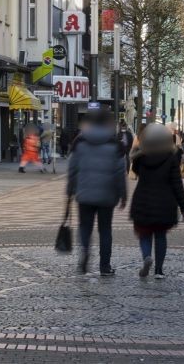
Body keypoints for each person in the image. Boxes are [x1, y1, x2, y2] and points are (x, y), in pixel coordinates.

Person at [66, 111, 127, 276]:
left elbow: (72, 169)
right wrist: (123, 195)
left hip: (84, 193)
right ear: (107, 124)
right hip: (107, 195)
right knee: (105, 230)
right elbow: (120, 172)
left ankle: (84, 253)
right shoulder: (115, 144)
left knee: (85, 227)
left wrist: (70, 190)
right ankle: (105, 266)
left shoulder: (80, 142)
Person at [130, 123, 184, 279]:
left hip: (143, 200)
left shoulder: (141, 158)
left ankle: (146, 257)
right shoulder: (171, 159)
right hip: (165, 202)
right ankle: (158, 270)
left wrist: (138, 149)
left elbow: (135, 170)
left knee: (144, 234)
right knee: (161, 236)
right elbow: (177, 185)